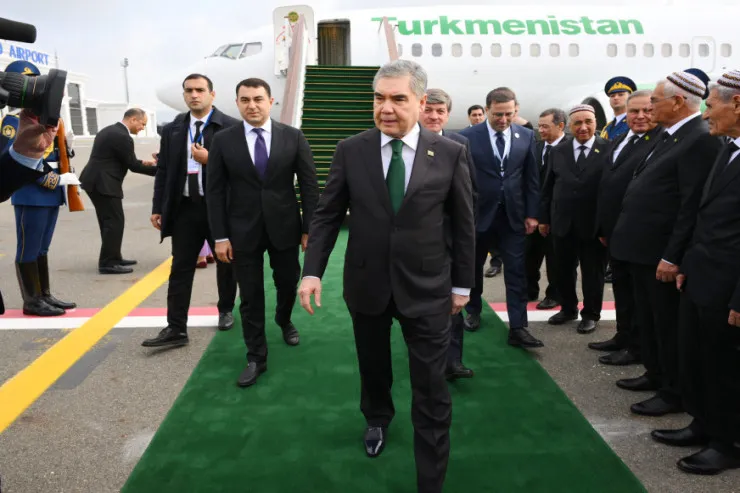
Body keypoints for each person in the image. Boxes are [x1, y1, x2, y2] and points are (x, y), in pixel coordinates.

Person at [298, 59, 475, 493]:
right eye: (379, 98)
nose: (386, 108)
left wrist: (462, 285)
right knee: (373, 365)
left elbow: (464, 224)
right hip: (367, 284)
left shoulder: (450, 152)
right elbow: (327, 215)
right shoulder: (350, 149)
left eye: (398, 98)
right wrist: (312, 271)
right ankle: (377, 418)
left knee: (431, 386)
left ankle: (430, 480)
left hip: (428, 288)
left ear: (421, 101)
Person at [610, 71, 721, 415]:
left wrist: (673, 256)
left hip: (661, 254)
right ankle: (656, 373)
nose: (650, 108)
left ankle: (673, 391)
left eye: (655, 102)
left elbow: (690, 205)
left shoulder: (698, 139)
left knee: (668, 325)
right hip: (643, 251)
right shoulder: (671, 135)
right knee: (651, 320)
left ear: (677, 102)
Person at [651, 70, 740, 475]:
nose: (705, 114)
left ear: (736, 103)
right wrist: (688, 263)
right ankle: (705, 424)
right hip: (704, 276)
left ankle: (729, 443)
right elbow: (705, 215)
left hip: (729, 286)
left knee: (727, 368)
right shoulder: (726, 148)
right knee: (702, 360)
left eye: (711, 105)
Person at [207, 77, 319, 387]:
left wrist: (309, 229)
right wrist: (220, 236)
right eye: (245, 100)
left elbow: (309, 186)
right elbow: (214, 191)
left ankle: (284, 319)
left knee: (287, 283)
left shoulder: (293, 137)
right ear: (237, 103)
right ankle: (256, 356)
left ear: (271, 102)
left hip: (285, 228)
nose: (252, 105)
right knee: (250, 295)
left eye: (258, 99)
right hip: (241, 232)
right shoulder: (223, 141)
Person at [142, 74, 240, 349]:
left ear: (212, 94)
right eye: (189, 91)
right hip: (185, 208)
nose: (194, 95)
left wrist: (211, 160)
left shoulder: (230, 127)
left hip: (218, 209)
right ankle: (176, 327)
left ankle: (225, 309)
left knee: (226, 264)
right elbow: (163, 170)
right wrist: (158, 206)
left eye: (200, 90)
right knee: (180, 268)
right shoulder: (173, 129)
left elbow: (241, 170)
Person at [460, 86, 542, 348]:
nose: (503, 119)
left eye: (509, 114)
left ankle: (518, 327)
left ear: (516, 110)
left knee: (517, 272)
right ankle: (473, 311)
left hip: (513, 217)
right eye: (498, 114)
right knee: (473, 268)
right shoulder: (466, 137)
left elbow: (531, 178)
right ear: (487, 110)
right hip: (477, 215)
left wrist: (532, 214)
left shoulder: (526, 136)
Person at [0, 61, 80, 317]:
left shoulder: (47, 119)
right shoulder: (13, 120)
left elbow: (54, 153)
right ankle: (31, 300)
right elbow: (8, 155)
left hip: (51, 190)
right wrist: (52, 180)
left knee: (43, 247)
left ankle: (44, 294)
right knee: (29, 247)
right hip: (30, 189)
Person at [590, 90, 662, 365]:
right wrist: (602, 227)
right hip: (615, 232)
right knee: (622, 288)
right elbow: (607, 184)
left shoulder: (659, 143)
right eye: (634, 111)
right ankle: (623, 335)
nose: (640, 116)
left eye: (647, 110)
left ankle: (637, 347)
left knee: (638, 295)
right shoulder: (620, 138)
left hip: (638, 234)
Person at [420, 87, 475, 380]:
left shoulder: (459, 144)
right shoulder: (408, 142)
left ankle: (453, 361)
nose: (434, 116)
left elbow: (470, 191)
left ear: (448, 114)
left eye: (440, 111)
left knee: (452, 302)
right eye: (428, 110)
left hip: (451, 238)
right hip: (419, 240)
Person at [539, 104, 609, 334]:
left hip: (594, 225)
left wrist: (607, 226)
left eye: (588, 122)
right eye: (577, 123)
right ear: (569, 125)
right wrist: (544, 218)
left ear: (596, 123)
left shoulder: (608, 149)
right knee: (562, 270)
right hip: (563, 223)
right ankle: (568, 308)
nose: (583, 127)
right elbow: (548, 188)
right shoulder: (558, 151)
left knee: (593, 273)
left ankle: (591, 314)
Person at [79, 108, 157, 274]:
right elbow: (133, 165)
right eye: (142, 124)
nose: (142, 128)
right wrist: (161, 171)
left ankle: (114, 257)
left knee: (108, 221)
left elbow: (122, 159)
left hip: (95, 181)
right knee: (114, 222)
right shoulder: (123, 137)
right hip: (104, 183)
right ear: (133, 119)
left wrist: (144, 162)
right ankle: (108, 263)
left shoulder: (110, 130)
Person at [527, 108, 565, 310]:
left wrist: (547, 218)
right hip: (533, 213)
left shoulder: (568, 148)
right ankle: (529, 290)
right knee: (530, 256)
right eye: (539, 126)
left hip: (557, 214)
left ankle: (554, 294)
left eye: (545, 126)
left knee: (555, 259)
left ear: (560, 126)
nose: (540, 130)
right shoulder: (536, 147)